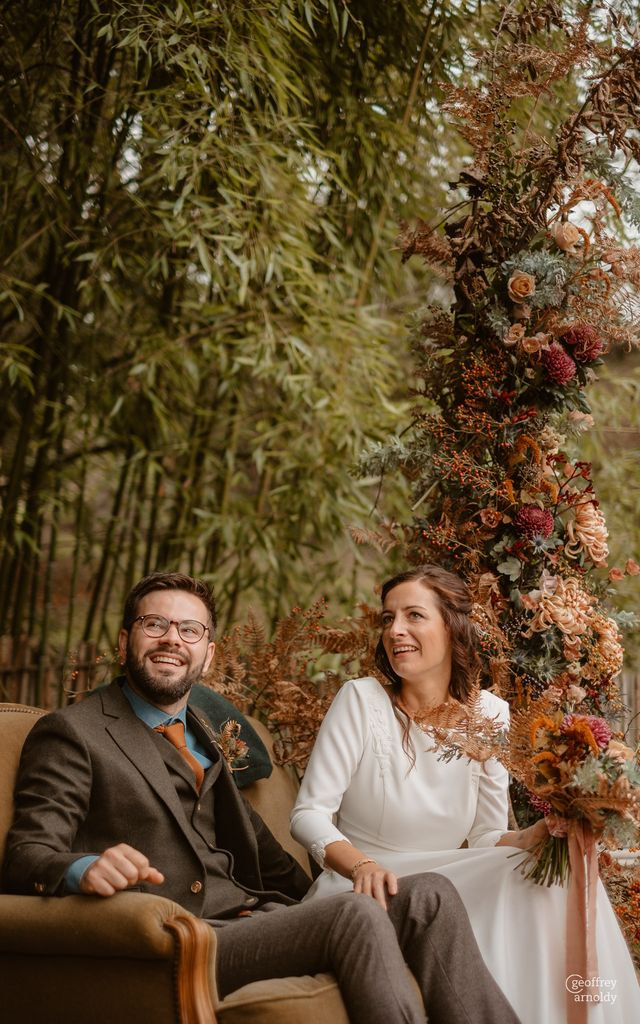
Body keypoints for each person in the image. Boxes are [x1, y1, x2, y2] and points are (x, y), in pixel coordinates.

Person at [3, 571, 522, 1024]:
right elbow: (26, 854)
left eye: (190, 630)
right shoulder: (75, 732)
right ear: (124, 641)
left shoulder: (208, 734)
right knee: (355, 913)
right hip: (187, 936)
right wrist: (84, 868)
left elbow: (267, 857)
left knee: (428, 894)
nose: (172, 639)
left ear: (209, 654)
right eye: (154, 624)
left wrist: (313, 898)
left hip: (261, 919)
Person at [291, 565, 640, 1024]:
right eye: (388, 618)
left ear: (452, 628)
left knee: (545, 874)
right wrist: (362, 865)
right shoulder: (361, 700)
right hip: (365, 887)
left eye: (414, 615)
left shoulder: (490, 713)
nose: (395, 631)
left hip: (446, 880)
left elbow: (485, 836)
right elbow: (308, 814)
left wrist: (537, 834)